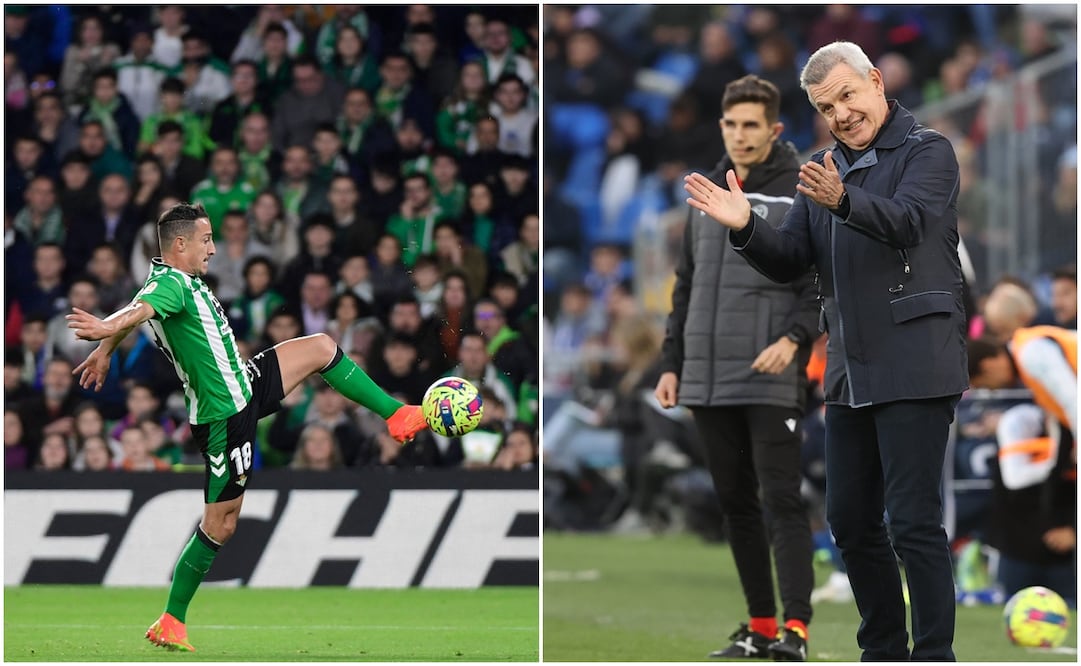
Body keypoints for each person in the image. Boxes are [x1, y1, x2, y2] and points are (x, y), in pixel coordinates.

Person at [682, 41, 968, 661]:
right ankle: (884, 650)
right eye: (826, 106)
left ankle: (934, 655)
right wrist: (746, 227)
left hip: (917, 361)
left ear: (875, 81)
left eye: (847, 96)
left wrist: (842, 199)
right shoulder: (822, 170)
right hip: (849, 371)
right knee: (850, 523)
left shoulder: (929, 152)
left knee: (913, 522)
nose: (840, 113)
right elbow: (789, 260)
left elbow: (910, 222)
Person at [65, 202, 428, 652]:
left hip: (245, 382)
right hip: (224, 418)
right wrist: (105, 330)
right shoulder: (172, 284)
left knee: (320, 347)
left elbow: (138, 306)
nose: (213, 249)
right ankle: (171, 619)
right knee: (221, 525)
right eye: (206, 240)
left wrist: (106, 348)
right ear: (180, 244)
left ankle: (396, 414)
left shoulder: (165, 279)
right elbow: (138, 311)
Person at [654, 74, 818, 661]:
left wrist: (796, 338)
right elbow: (686, 285)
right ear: (721, 126)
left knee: (781, 501)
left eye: (752, 125)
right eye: (731, 124)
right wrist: (672, 363)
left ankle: (796, 631)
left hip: (771, 371)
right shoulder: (703, 191)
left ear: (775, 129)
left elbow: (818, 281)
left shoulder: (804, 190)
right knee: (736, 506)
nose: (740, 135)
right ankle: (761, 627)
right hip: (704, 371)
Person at [966, 326, 1076, 606]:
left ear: (990, 364)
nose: (987, 391)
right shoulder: (1031, 371)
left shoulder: (1032, 353)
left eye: (980, 382)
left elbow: (1074, 402)